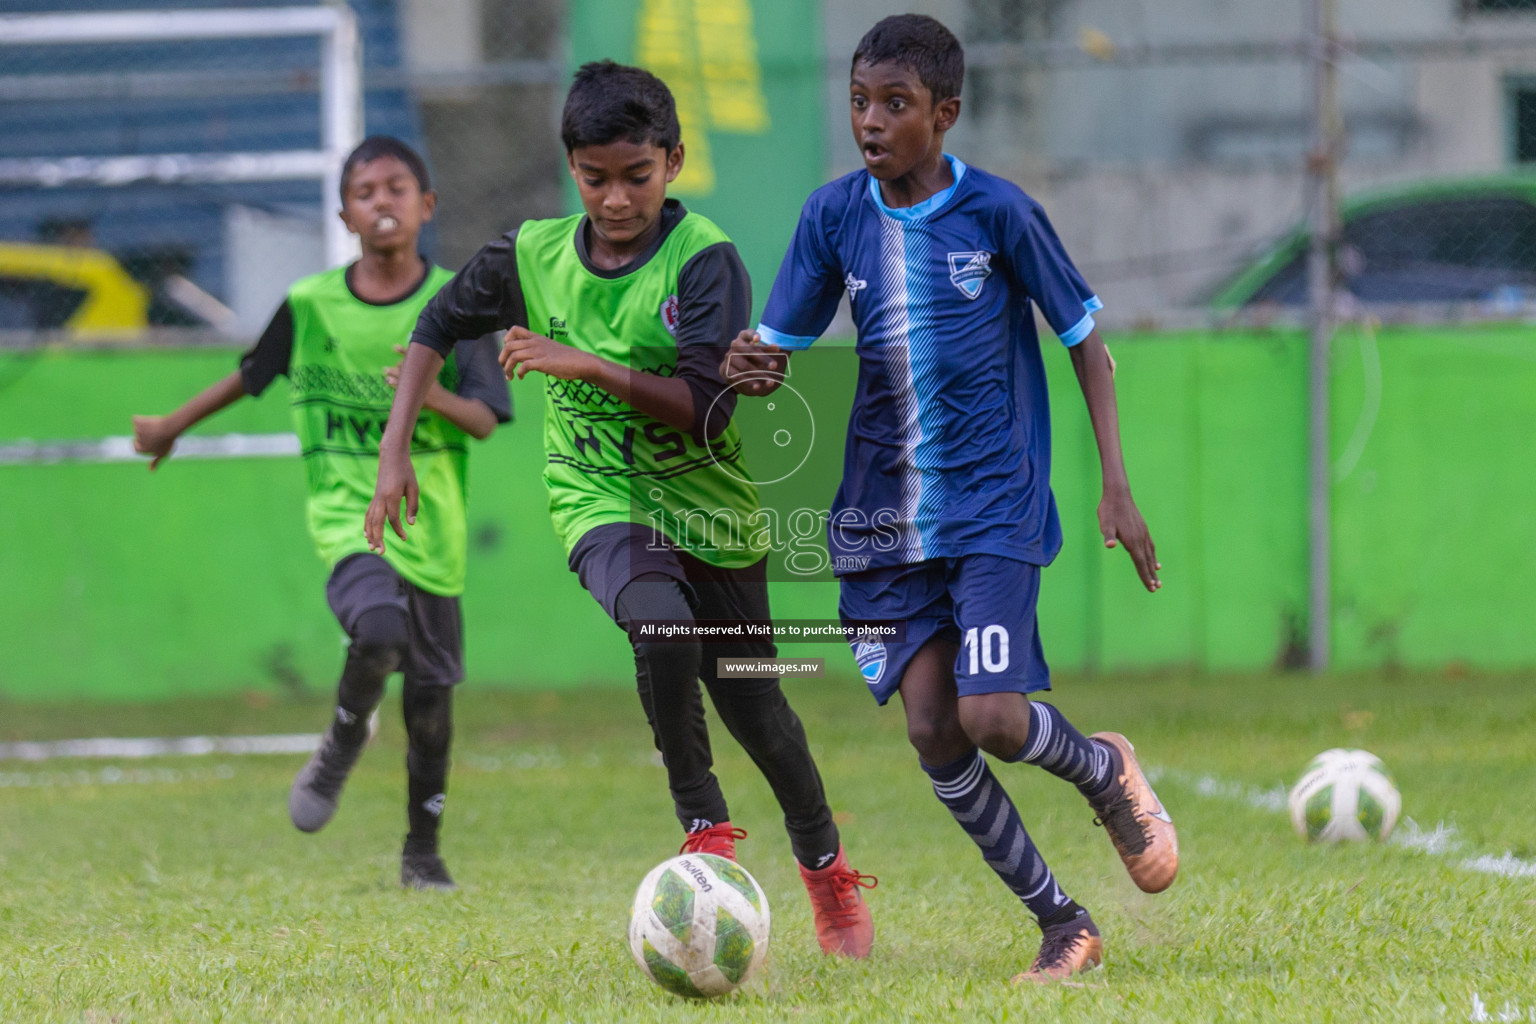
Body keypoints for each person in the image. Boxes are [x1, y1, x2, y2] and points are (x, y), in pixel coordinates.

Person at [364, 61, 876, 957]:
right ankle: (702, 825)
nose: (614, 199)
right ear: (572, 168)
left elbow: (710, 405)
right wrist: (394, 449)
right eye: (595, 178)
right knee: (656, 625)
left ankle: (826, 868)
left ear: (672, 161)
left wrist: (588, 363)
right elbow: (434, 326)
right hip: (599, 500)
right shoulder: (529, 256)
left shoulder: (705, 260)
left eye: (635, 176)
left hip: (713, 512)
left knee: (758, 709)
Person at [721, 15, 1177, 982]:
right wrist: (752, 368)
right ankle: (1064, 924)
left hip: (992, 504)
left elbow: (1085, 342)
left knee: (994, 718)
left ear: (947, 113)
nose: (871, 122)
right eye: (858, 102)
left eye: (896, 104)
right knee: (932, 727)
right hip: (883, 516)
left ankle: (1101, 770)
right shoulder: (832, 216)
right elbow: (778, 351)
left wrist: (1116, 488)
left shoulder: (1001, 214)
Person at [132, 136, 510, 892]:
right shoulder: (310, 305)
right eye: (365, 191)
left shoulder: (459, 307)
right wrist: (175, 423)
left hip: (432, 532)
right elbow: (252, 375)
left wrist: (423, 387)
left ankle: (422, 853)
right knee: (377, 630)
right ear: (344, 215)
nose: (382, 201)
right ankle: (342, 741)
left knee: (430, 707)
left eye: (397, 188)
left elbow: (485, 418)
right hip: (346, 516)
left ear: (426, 206)